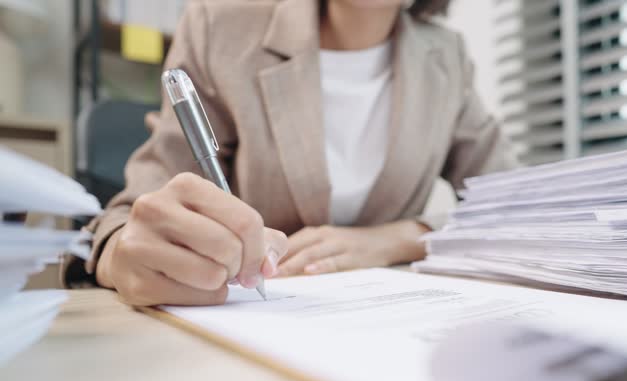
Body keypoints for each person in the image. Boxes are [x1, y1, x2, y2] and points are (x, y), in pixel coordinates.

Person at [65, 0, 514, 306]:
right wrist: (121, 253)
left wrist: (401, 238)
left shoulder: (446, 56)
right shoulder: (222, 25)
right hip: (246, 329)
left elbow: (516, 207)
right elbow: (131, 216)